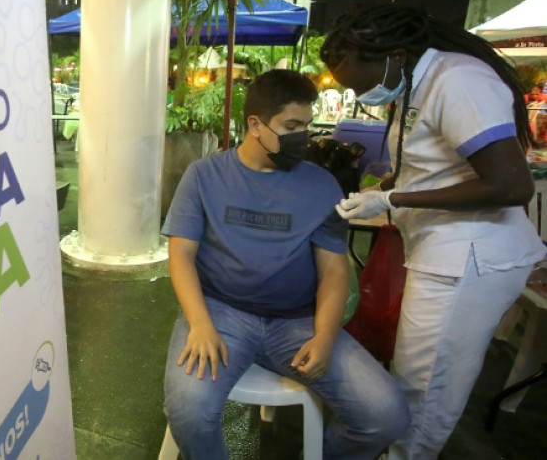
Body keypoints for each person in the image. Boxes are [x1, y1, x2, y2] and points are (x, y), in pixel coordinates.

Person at [321, 5, 547, 460]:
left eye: (363, 83)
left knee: (424, 392)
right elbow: (431, 165)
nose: (362, 95)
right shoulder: (415, 83)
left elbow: (510, 185)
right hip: (441, 249)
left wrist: (394, 200)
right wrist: (382, 189)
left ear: (395, 55)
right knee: (413, 376)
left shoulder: (458, 81)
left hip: (469, 257)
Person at [162, 69, 409, 460]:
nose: (302, 137)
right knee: (189, 413)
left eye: (306, 126)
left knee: (387, 416)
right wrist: (200, 324)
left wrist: (324, 336)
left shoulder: (321, 185)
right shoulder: (204, 176)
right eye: (291, 127)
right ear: (255, 125)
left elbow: (333, 270)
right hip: (222, 313)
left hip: (296, 322)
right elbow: (181, 255)